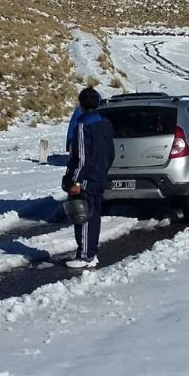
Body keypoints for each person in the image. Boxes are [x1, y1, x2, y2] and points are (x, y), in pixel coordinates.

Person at [62, 87, 115, 268]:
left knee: (83, 216)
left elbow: (82, 157)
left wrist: (76, 180)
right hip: (100, 175)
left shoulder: (83, 125)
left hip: (86, 179)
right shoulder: (106, 123)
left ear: (82, 104)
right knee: (94, 215)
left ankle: (85, 256)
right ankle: (91, 251)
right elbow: (110, 152)